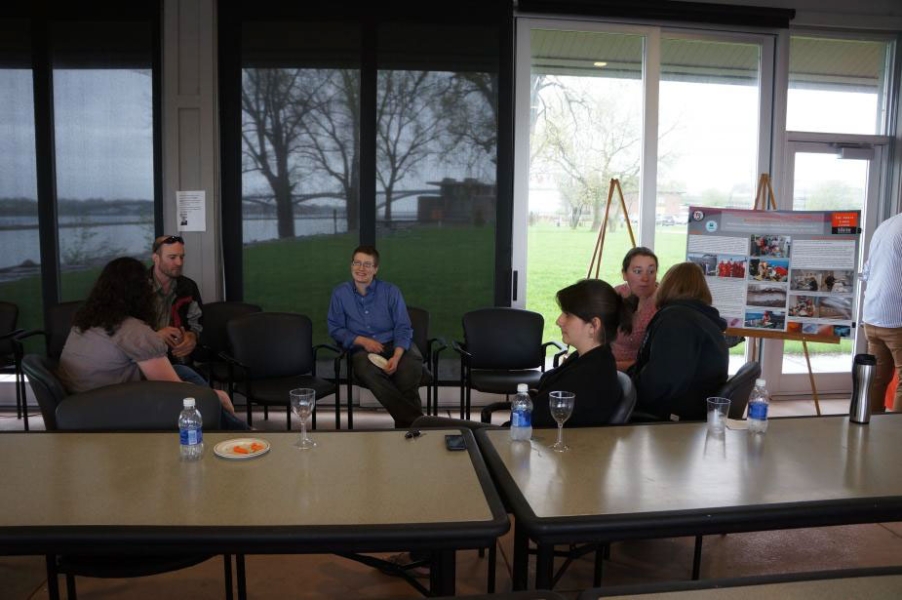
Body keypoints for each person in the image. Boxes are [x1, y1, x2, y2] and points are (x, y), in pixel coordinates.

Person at [58, 257, 247, 430]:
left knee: (184, 372)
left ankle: (232, 427)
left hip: (78, 403)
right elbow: (174, 390)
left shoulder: (86, 322)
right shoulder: (133, 330)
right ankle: (238, 432)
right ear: (140, 292)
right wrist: (214, 396)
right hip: (107, 409)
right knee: (204, 396)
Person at [328, 245, 424, 428]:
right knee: (366, 370)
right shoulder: (340, 294)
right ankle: (417, 423)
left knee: (408, 369)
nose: (361, 269)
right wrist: (362, 340)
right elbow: (335, 328)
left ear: (375, 269)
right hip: (362, 350)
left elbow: (403, 327)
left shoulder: (391, 291)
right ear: (351, 265)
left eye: (367, 264)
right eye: (357, 263)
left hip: (395, 343)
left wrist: (396, 356)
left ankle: (408, 426)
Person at [631, 262, 729, 421]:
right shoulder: (700, 319)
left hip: (674, 417)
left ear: (667, 286)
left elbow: (660, 384)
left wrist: (627, 390)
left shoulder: (677, 321)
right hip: (693, 409)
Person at [531, 279, 634, 428]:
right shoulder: (587, 359)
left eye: (568, 315)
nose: (559, 321)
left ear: (594, 326)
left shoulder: (590, 377)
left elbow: (539, 420)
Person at [861, 212, 902, 413]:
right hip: (897, 319)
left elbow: (867, 271)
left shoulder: (885, 226)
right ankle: (896, 437)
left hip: (873, 315)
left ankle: (869, 430)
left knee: (877, 380)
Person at [150, 235, 204, 380]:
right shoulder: (138, 288)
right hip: (146, 360)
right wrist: (155, 336)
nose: (179, 262)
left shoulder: (188, 286)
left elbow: (197, 322)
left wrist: (192, 337)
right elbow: (125, 332)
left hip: (179, 358)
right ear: (155, 258)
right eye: (172, 257)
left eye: (182, 257)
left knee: (198, 384)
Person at [610, 247, 658, 371]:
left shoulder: (662, 303)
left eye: (651, 271)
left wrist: (607, 367)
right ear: (624, 274)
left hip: (636, 376)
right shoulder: (617, 293)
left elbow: (655, 361)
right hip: (606, 366)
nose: (645, 279)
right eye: (638, 271)